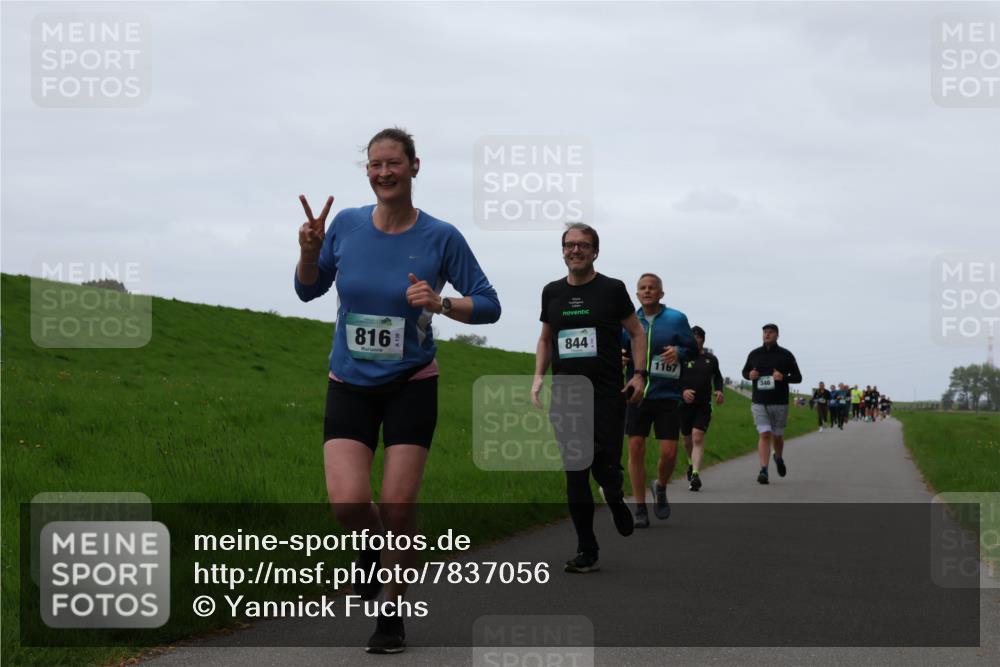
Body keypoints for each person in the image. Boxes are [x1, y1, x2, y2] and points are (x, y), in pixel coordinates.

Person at [294, 128, 501, 654]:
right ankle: (371, 551)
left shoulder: (441, 236)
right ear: (367, 171)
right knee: (347, 505)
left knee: (398, 504)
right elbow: (307, 289)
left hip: (411, 383)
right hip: (349, 383)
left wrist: (439, 303)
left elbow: (489, 303)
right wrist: (310, 252)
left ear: (414, 167)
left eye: (394, 163)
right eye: (375, 164)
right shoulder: (344, 225)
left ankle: (391, 616)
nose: (384, 172)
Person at [532, 223, 646, 573]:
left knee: (604, 466)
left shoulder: (612, 289)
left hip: (607, 395)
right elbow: (546, 339)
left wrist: (639, 375)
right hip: (566, 394)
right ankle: (587, 549)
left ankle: (613, 493)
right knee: (576, 471)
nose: (575, 250)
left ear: (595, 251)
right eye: (569, 245)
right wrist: (538, 376)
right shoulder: (551, 292)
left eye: (583, 245)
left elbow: (637, 332)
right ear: (563, 251)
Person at [621, 274, 698, 525]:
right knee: (636, 448)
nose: (647, 292)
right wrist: (620, 358)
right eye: (642, 288)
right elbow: (619, 348)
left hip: (667, 394)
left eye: (652, 288)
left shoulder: (676, 318)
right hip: (638, 394)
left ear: (661, 293)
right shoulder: (629, 320)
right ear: (636, 294)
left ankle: (661, 485)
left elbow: (692, 349)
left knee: (668, 453)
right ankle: (640, 508)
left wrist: (679, 351)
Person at [741, 323, 802, 484]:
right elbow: (745, 372)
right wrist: (750, 375)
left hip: (779, 402)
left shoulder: (786, 355)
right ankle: (763, 470)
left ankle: (779, 457)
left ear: (777, 335)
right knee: (765, 434)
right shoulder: (754, 354)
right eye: (765, 332)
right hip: (759, 401)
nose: (767, 335)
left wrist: (783, 377)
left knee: (778, 435)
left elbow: (798, 377)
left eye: (770, 332)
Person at [679, 325, 724, 492]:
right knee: (687, 440)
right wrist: (683, 391)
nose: (695, 339)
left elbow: (718, 377)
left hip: (703, 405)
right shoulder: (681, 358)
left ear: (702, 340)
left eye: (698, 336)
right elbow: (674, 379)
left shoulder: (711, 359)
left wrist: (719, 390)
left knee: (697, 437)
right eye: (692, 336)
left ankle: (696, 475)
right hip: (684, 405)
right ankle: (690, 464)